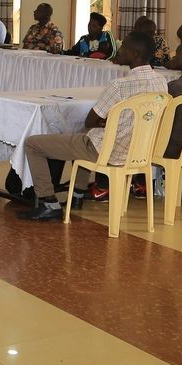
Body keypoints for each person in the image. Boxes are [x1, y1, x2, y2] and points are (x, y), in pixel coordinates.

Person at [17, 31, 167, 222]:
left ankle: (49, 204)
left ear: (135, 54)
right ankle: (77, 195)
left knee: (33, 144)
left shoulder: (119, 85)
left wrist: (104, 122)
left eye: (123, 47)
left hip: (107, 151)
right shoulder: (161, 82)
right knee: (85, 134)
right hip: (138, 152)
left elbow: (91, 120)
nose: (119, 50)